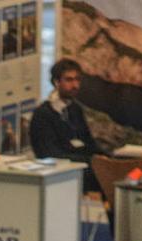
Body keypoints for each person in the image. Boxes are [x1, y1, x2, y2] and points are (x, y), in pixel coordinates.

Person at [30, 58, 105, 193]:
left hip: (81, 167)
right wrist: (91, 160)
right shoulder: (43, 114)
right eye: (69, 80)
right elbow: (48, 154)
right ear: (56, 82)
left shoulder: (75, 108)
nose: (75, 85)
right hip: (59, 176)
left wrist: (105, 157)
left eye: (77, 80)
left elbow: (88, 141)